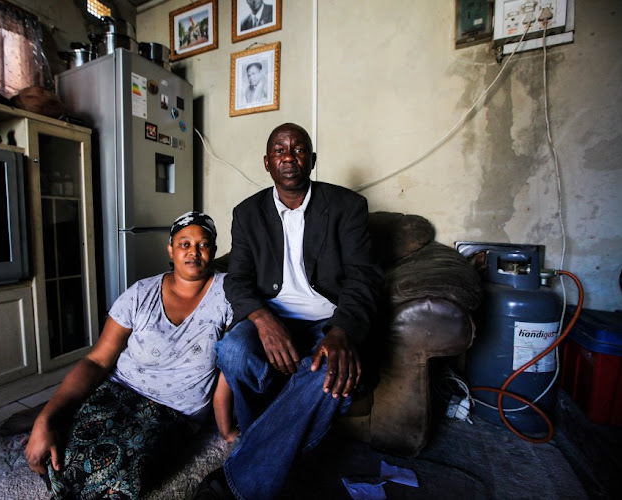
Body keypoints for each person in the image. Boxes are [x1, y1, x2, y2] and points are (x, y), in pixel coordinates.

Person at [193, 123, 382, 499]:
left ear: (311, 160)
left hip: (329, 322)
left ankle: (240, 480)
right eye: (280, 150)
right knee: (232, 349)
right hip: (273, 317)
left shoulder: (346, 206)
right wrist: (263, 321)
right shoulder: (248, 213)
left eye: (298, 149)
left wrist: (342, 330)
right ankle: (278, 458)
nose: (289, 156)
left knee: (330, 373)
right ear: (267, 162)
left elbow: (365, 277)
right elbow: (237, 279)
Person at [25, 211, 238, 499]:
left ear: (212, 251)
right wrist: (44, 419)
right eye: (184, 244)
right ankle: (37, 417)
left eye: (202, 244)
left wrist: (224, 426)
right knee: (59, 454)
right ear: (171, 250)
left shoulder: (228, 293)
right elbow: (97, 360)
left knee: (119, 477)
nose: (193, 252)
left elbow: (229, 362)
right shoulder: (141, 293)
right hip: (118, 391)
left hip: (174, 411)